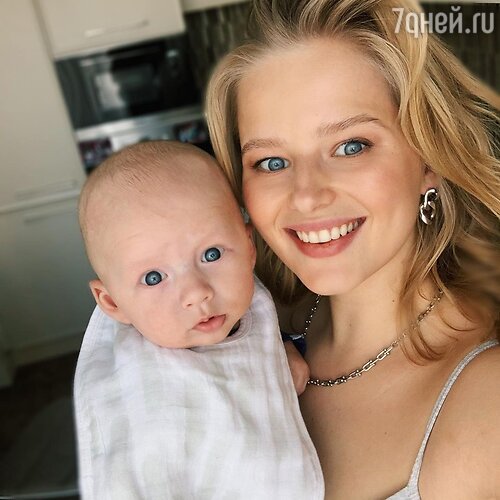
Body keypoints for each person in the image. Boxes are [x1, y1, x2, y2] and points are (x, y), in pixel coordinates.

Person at [205, 0, 500, 497]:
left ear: (428, 160)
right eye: (272, 162)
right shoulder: (254, 332)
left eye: (350, 146)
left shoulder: (486, 404)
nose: (306, 196)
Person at [74, 140, 324, 499]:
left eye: (211, 254)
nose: (196, 292)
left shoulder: (263, 317)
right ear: (112, 302)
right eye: (154, 278)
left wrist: (277, 351)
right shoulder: (135, 386)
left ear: (248, 247)